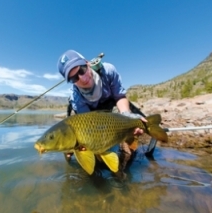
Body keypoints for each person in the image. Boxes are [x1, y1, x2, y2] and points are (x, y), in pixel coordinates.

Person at [57, 49, 147, 177]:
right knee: (89, 148)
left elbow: (120, 97)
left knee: (127, 145)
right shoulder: (76, 98)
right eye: (74, 78)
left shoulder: (108, 71)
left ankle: (121, 169)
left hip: (112, 108)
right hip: (90, 118)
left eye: (81, 70)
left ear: (87, 63)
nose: (82, 78)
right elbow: (89, 126)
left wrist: (127, 116)